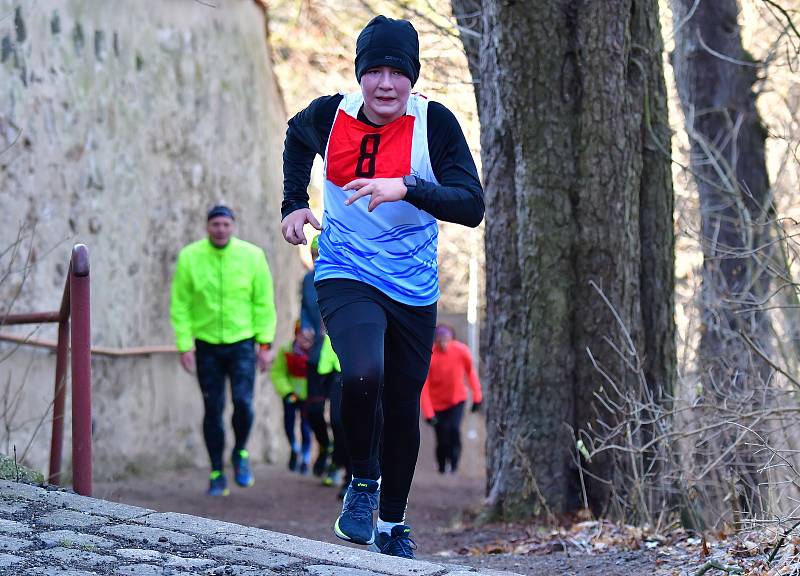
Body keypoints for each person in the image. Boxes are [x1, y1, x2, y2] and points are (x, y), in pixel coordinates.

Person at [280, 15, 484, 559]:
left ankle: (393, 523)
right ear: (360, 74)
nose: (386, 83)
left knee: (400, 406)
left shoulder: (433, 124)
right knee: (362, 371)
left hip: (412, 288)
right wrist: (294, 202)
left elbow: (471, 204)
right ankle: (363, 482)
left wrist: (410, 187)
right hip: (346, 270)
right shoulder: (331, 114)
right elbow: (296, 139)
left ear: (412, 77)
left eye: (398, 71)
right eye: (375, 71)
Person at [170, 205, 276, 496]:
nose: (220, 229)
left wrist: (265, 344)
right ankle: (216, 471)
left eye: (225, 224)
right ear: (207, 227)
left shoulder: (252, 256)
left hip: (242, 343)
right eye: (215, 224)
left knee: (243, 402)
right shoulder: (190, 257)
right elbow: (181, 304)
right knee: (213, 408)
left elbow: (264, 303)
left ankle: (240, 452)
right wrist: (184, 345)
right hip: (206, 345)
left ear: (233, 226)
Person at [420, 325, 482, 474]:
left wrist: (477, 397)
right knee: (442, 436)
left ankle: (454, 465)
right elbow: (424, 387)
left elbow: (471, 373)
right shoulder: (429, 356)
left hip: (457, 400)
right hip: (436, 405)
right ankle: (442, 467)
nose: (443, 343)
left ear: (451, 338)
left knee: (454, 430)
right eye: (440, 340)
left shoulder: (461, 351)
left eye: (446, 339)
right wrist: (429, 413)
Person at [270, 323, 314, 474]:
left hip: (309, 397)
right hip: (291, 395)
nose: (305, 339)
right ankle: (294, 448)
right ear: (296, 334)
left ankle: (305, 459)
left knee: (306, 428)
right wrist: (287, 391)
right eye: (302, 334)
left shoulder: (316, 352)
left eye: (309, 336)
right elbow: (278, 373)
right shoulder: (286, 350)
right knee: (288, 424)